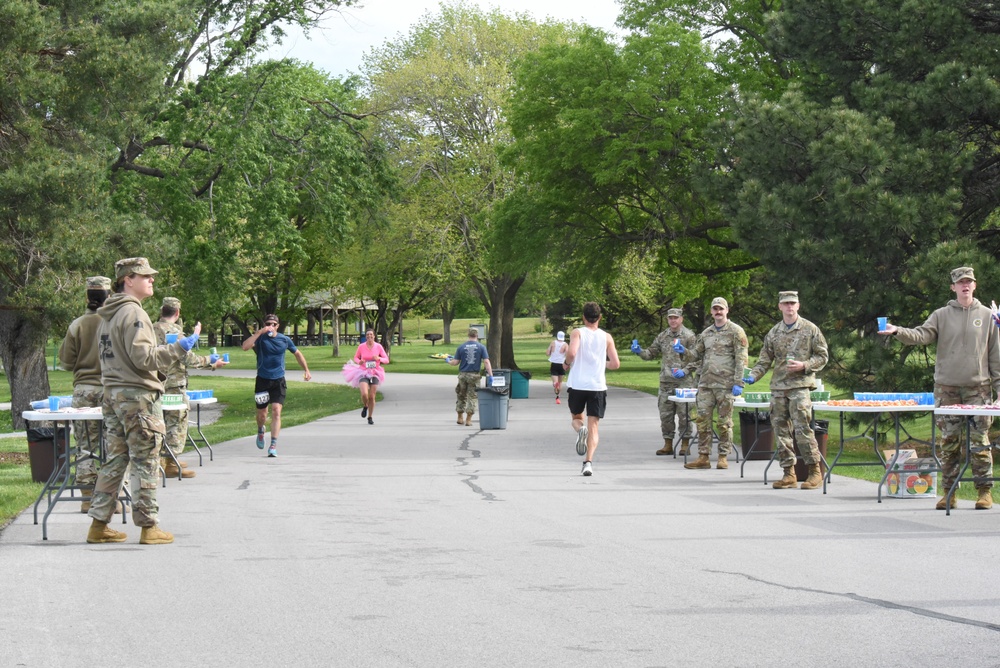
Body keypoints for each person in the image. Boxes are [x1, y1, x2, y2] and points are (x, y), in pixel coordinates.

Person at [87, 257, 199, 545]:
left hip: (113, 394)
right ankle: (149, 527)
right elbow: (144, 358)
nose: (151, 280)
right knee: (146, 459)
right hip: (137, 397)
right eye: (145, 276)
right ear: (128, 279)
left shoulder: (107, 314)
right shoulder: (134, 314)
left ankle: (98, 525)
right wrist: (178, 348)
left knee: (116, 459)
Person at [880, 266, 1000, 510]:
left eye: (969, 281)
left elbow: (996, 356)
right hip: (947, 389)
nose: (965, 285)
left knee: (980, 442)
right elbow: (921, 335)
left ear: (974, 285)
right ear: (953, 287)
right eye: (960, 282)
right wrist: (897, 331)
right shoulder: (941, 314)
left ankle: (984, 492)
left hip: (979, 390)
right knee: (949, 442)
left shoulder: (988, 316)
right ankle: (949, 492)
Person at [746, 291, 829, 489]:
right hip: (779, 388)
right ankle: (788, 473)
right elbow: (764, 360)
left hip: (800, 387)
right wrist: (752, 376)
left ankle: (814, 471)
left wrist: (805, 365)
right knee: (781, 432)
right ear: (780, 307)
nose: (790, 307)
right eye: (786, 304)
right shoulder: (774, 333)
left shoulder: (810, 329)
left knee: (803, 430)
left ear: (798, 306)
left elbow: (823, 356)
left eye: (793, 303)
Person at [152, 296, 227, 478]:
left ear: (162, 311)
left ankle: (160, 460)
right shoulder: (175, 333)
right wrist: (210, 362)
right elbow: (187, 357)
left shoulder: (150, 329)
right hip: (174, 386)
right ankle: (170, 462)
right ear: (177, 313)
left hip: (156, 383)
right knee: (176, 422)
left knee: (158, 422)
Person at [58, 276, 114, 513]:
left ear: (87, 297)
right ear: (109, 296)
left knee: (86, 445)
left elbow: (66, 362)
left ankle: (87, 496)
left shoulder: (77, 324)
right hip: (111, 388)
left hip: (84, 390)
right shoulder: (114, 322)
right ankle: (111, 497)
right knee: (113, 445)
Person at [684, 297, 748, 470]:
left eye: (721, 309)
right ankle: (703, 456)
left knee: (724, 422)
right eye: (715, 309)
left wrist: (738, 382)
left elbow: (742, 359)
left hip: (726, 385)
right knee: (702, 420)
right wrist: (684, 351)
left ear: (727, 310)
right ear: (711, 312)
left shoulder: (736, 331)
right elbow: (696, 355)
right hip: (706, 384)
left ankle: (723, 456)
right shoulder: (706, 333)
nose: (718, 312)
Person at [241, 313, 312, 457]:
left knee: (276, 411)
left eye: (273, 324)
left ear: (278, 326)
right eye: (268, 324)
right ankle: (261, 430)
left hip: (278, 381)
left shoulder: (284, 340)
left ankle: (273, 445)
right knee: (262, 414)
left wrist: (306, 369)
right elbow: (245, 347)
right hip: (262, 380)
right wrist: (259, 332)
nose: (271, 327)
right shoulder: (260, 338)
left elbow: (297, 354)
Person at [631, 307, 697, 456]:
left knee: (684, 415)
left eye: (675, 318)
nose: (673, 320)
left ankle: (685, 444)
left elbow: (696, 359)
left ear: (681, 319)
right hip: (666, 381)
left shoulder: (689, 336)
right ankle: (668, 444)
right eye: (670, 318)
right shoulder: (663, 336)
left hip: (683, 383)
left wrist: (685, 371)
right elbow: (650, 353)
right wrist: (639, 351)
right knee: (665, 415)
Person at [565, 301, 621, 476]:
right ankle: (588, 463)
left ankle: (580, 430)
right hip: (597, 386)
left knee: (576, 418)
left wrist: (566, 363)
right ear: (600, 317)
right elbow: (615, 364)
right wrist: (600, 362)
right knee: (594, 426)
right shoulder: (606, 337)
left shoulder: (578, 332)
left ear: (583, 317)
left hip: (578, 384)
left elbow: (572, 353)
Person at [448, 328, 493, 426]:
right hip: (474, 376)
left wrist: (449, 361)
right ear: (477, 335)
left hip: (463, 375)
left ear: (468, 335)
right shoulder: (481, 347)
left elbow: (455, 362)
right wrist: (490, 375)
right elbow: (486, 362)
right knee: (472, 397)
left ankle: (460, 417)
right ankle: (468, 419)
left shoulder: (461, 347)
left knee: (461, 395)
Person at [349, 328, 389, 425]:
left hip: (375, 372)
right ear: (365, 336)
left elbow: (386, 360)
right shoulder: (361, 346)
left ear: (374, 336)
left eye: (371, 334)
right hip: (363, 371)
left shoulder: (378, 347)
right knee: (364, 394)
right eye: (367, 335)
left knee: (372, 396)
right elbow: (355, 357)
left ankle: (370, 417)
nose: (369, 336)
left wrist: (378, 358)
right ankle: (365, 406)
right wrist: (359, 361)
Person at [546, 331, 568, 404]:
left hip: (554, 364)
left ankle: (555, 383)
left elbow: (547, 353)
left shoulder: (553, 343)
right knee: (560, 381)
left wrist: (551, 352)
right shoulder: (565, 345)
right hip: (561, 364)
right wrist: (567, 363)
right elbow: (568, 354)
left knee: (555, 381)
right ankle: (558, 397)